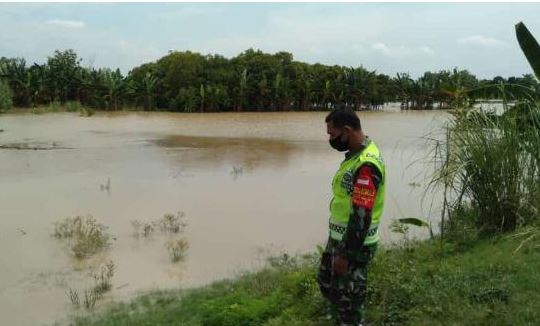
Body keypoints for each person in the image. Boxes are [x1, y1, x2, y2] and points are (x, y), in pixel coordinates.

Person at [317, 107, 386, 326]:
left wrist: (345, 254)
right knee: (328, 283)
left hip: (354, 244)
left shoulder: (366, 165)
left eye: (332, 134)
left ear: (346, 131)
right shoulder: (355, 156)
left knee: (349, 300)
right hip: (339, 237)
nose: (330, 139)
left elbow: (361, 215)